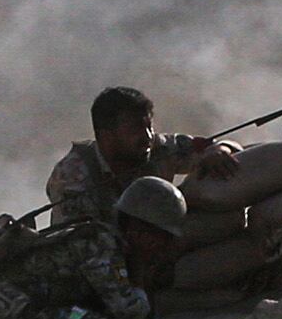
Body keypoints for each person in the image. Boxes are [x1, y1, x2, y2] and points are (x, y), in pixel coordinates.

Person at [0, 177, 189, 319]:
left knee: (86, 315)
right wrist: (140, 278)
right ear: (140, 230)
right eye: (161, 238)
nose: (162, 247)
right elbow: (130, 313)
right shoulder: (100, 245)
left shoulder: (103, 239)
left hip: (8, 317)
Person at [46, 86, 239, 227]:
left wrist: (218, 151)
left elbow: (210, 146)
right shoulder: (73, 177)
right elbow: (80, 245)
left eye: (149, 126)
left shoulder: (156, 148)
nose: (147, 136)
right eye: (134, 129)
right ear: (106, 136)